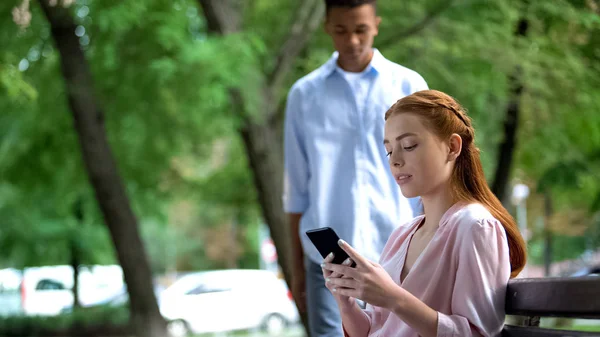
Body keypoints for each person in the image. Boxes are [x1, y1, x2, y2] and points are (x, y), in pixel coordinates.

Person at [321, 90, 527, 337]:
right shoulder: (402, 235)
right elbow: (375, 329)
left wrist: (393, 297)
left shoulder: (475, 226)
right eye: (388, 150)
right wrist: (346, 301)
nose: (395, 160)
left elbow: (478, 334)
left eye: (409, 145)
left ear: (452, 147)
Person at [283, 0, 428, 336]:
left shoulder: (408, 86)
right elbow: (296, 192)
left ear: (376, 24)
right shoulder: (304, 95)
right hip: (327, 261)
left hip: (401, 253)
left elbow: (431, 178)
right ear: (326, 28)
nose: (351, 41)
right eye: (340, 30)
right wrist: (297, 270)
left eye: (360, 29)